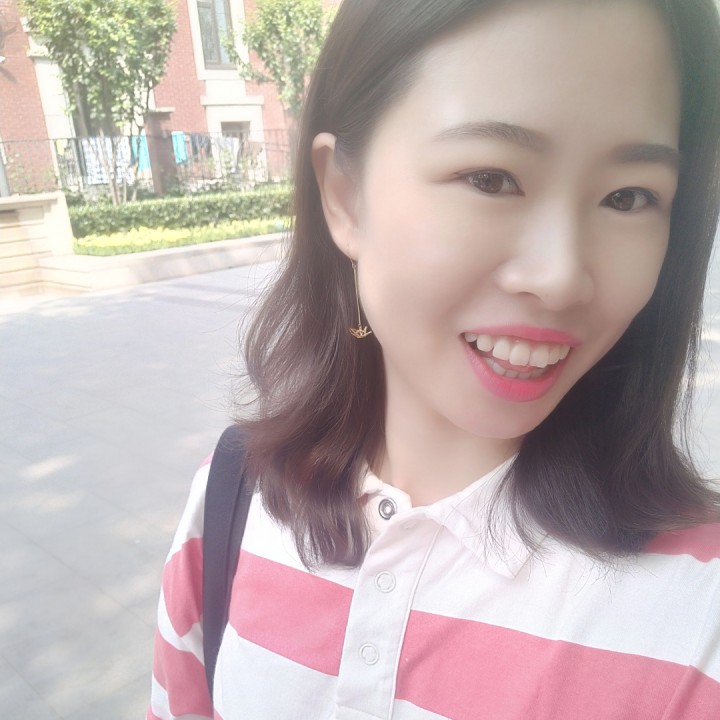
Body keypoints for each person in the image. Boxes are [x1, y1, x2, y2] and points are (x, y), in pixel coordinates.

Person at [148, 0, 720, 718]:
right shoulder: (233, 496)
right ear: (344, 196)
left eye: (627, 197)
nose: (561, 277)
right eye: (491, 178)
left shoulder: (699, 616)